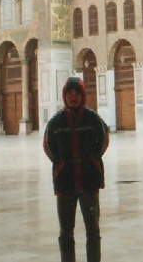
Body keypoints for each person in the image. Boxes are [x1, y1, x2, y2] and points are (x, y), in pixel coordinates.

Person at [43, 77, 109, 262]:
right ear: (65, 96)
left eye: (76, 93)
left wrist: (92, 160)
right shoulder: (56, 122)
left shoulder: (93, 119)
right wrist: (61, 164)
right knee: (66, 232)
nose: (73, 97)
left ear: (82, 95)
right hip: (65, 182)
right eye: (69, 93)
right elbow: (48, 147)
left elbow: (103, 142)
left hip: (89, 180)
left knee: (93, 230)